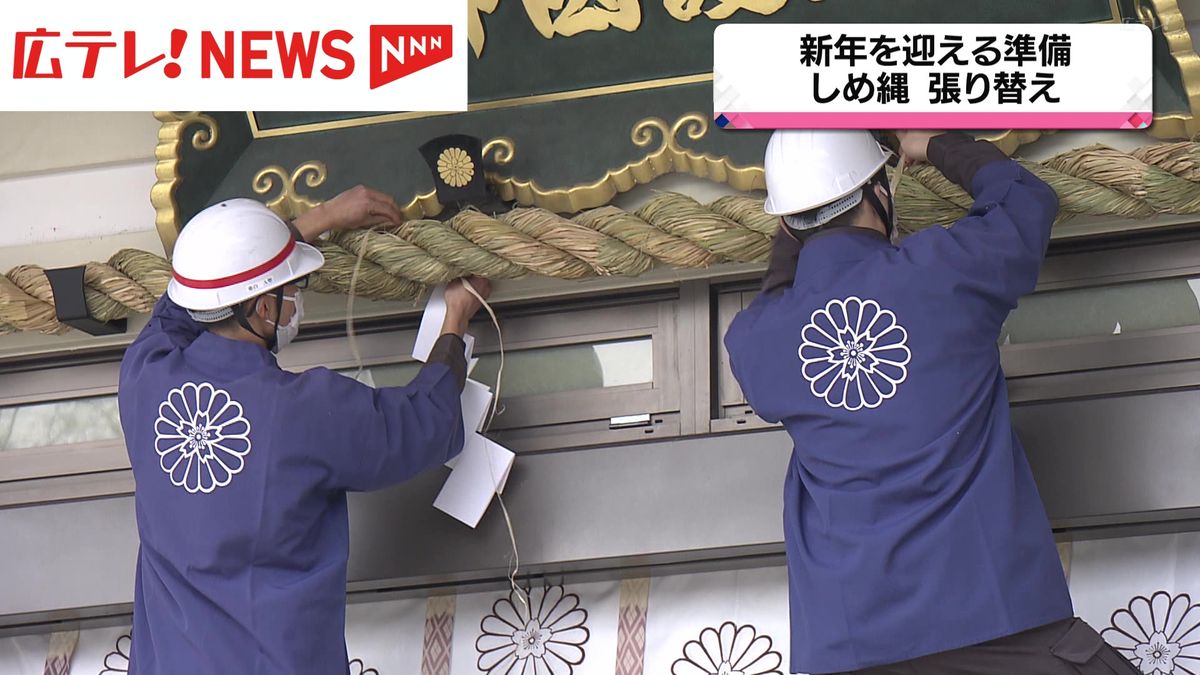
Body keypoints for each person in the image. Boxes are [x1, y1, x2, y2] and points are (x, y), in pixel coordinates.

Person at [724, 131, 1138, 674]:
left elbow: (777, 293)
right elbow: (1024, 199)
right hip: (1001, 626)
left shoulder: (756, 339)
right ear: (881, 192)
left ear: (784, 223)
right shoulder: (942, 269)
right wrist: (934, 144)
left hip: (850, 648)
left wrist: (796, 227)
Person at [117, 186, 491, 674]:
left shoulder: (145, 375)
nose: (296, 297)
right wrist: (456, 317)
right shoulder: (306, 411)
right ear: (264, 310)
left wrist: (321, 219)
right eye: (292, 287)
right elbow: (421, 423)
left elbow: (184, 301)